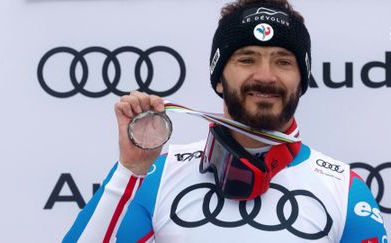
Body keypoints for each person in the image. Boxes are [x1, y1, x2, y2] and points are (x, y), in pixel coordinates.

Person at [63, 0, 388, 242]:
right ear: (219, 78)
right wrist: (131, 168)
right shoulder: (159, 175)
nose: (265, 76)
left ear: (301, 81)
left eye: (283, 61)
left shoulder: (343, 189)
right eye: (247, 59)